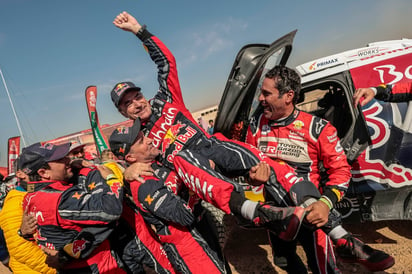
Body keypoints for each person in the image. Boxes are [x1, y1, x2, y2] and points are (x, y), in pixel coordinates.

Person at [110, 11, 306, 241]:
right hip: (199, 176)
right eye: (127, 103)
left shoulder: (166, 99)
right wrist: (127, 172)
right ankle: (256, 214)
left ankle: (316, 214)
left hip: (215, 148)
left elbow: (166, 62)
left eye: (137, 96)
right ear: (122, 112)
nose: (135, 103)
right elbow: (127, 165)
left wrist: (139, 31)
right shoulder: (138, 139)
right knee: (192, 164)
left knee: (266, 165)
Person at [246, 65, 395, 273]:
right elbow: (249, 165)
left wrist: (326, 204)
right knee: (284, 260)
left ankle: (344, 243)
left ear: (288, 96)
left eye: (266, 93)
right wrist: (253, 178)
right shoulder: (256, 124)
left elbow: (341, 171)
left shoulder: (318, 128)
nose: (261, 99)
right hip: (277, 212)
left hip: (311, 212)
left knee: (323, 268)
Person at [109, 118, 227, 273]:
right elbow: (184, 216)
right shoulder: (144, 182)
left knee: (223, 265)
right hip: (189, 247)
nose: (150, 139)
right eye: (141, 141)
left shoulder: (157, 159)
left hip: (201, 228)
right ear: (130, 158)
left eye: (144, 135)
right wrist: (195, 182)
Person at [18, 142, 129, 273]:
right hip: (95, 267)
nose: (68, 159)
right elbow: (110, 211)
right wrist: (111, 179)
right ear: (44, 172)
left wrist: (23, 233)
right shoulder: (59, 199)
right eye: (60, 159)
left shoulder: (30, 196)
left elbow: (41, 233)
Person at [0, 160, 56, 273]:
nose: (45, 173)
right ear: (20, 174)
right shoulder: (15, 202)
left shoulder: (38, 193)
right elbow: (22, 250)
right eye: (41, 169)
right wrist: (60, 269)